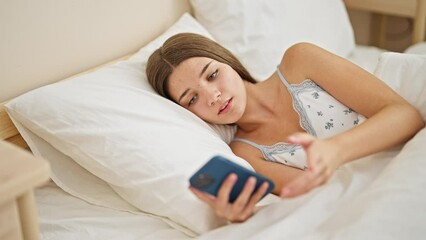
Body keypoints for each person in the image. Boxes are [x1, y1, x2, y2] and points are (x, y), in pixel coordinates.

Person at [146, 33, 424, 223]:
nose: (212, 96)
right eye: (192, 98)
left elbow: (406, 116)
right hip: (375, 199)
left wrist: (335, 150)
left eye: (212, 74)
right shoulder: (245, 153)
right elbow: (316, 201)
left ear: (227, 61)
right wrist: (244, 216)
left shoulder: (300, 60)